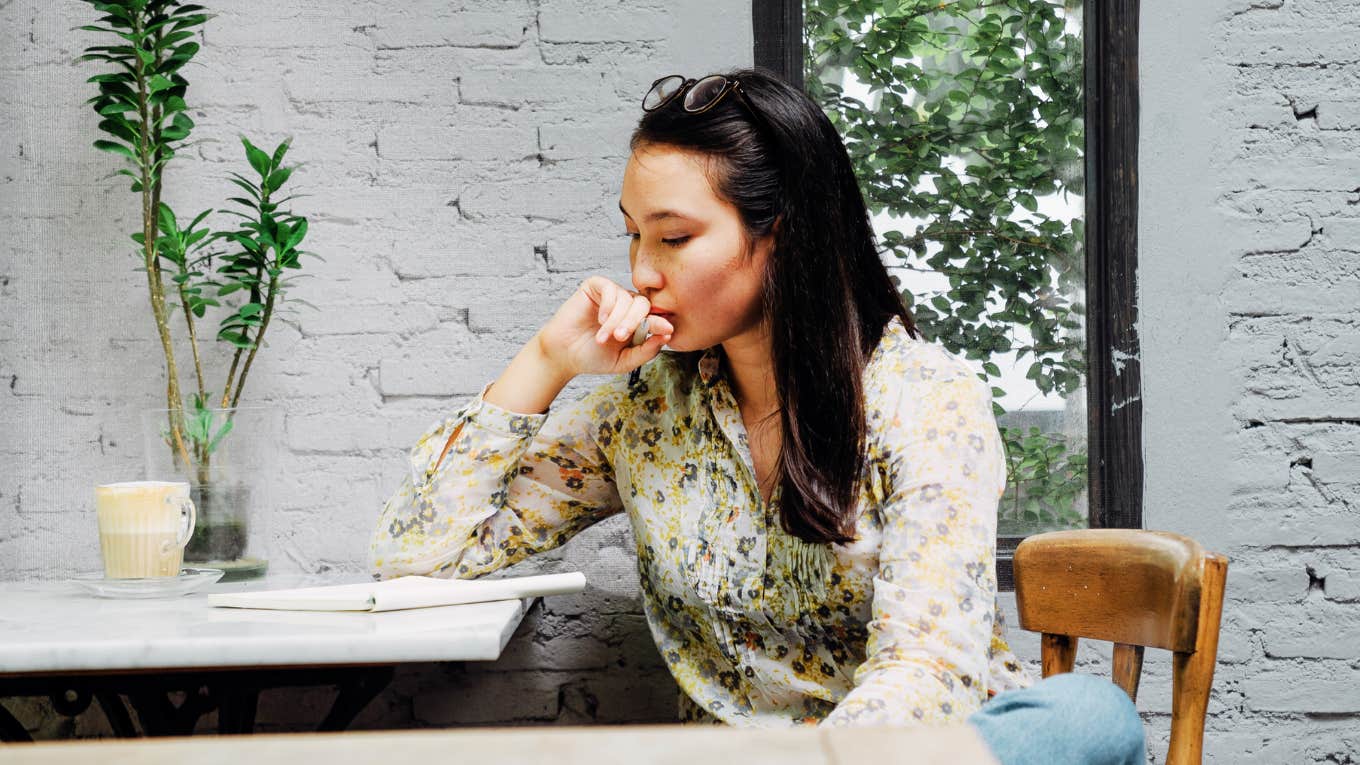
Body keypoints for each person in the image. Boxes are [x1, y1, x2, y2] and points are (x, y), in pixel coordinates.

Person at [370, 68, 1145, 764]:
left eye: (674, 237)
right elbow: (418, 557)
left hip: (914, 752)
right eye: (634, 235)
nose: (642, 270)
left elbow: (927, 671)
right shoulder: (642, 413)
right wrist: (546, 359)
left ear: (784, 233)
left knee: (1090, 712)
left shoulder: (925, 400)